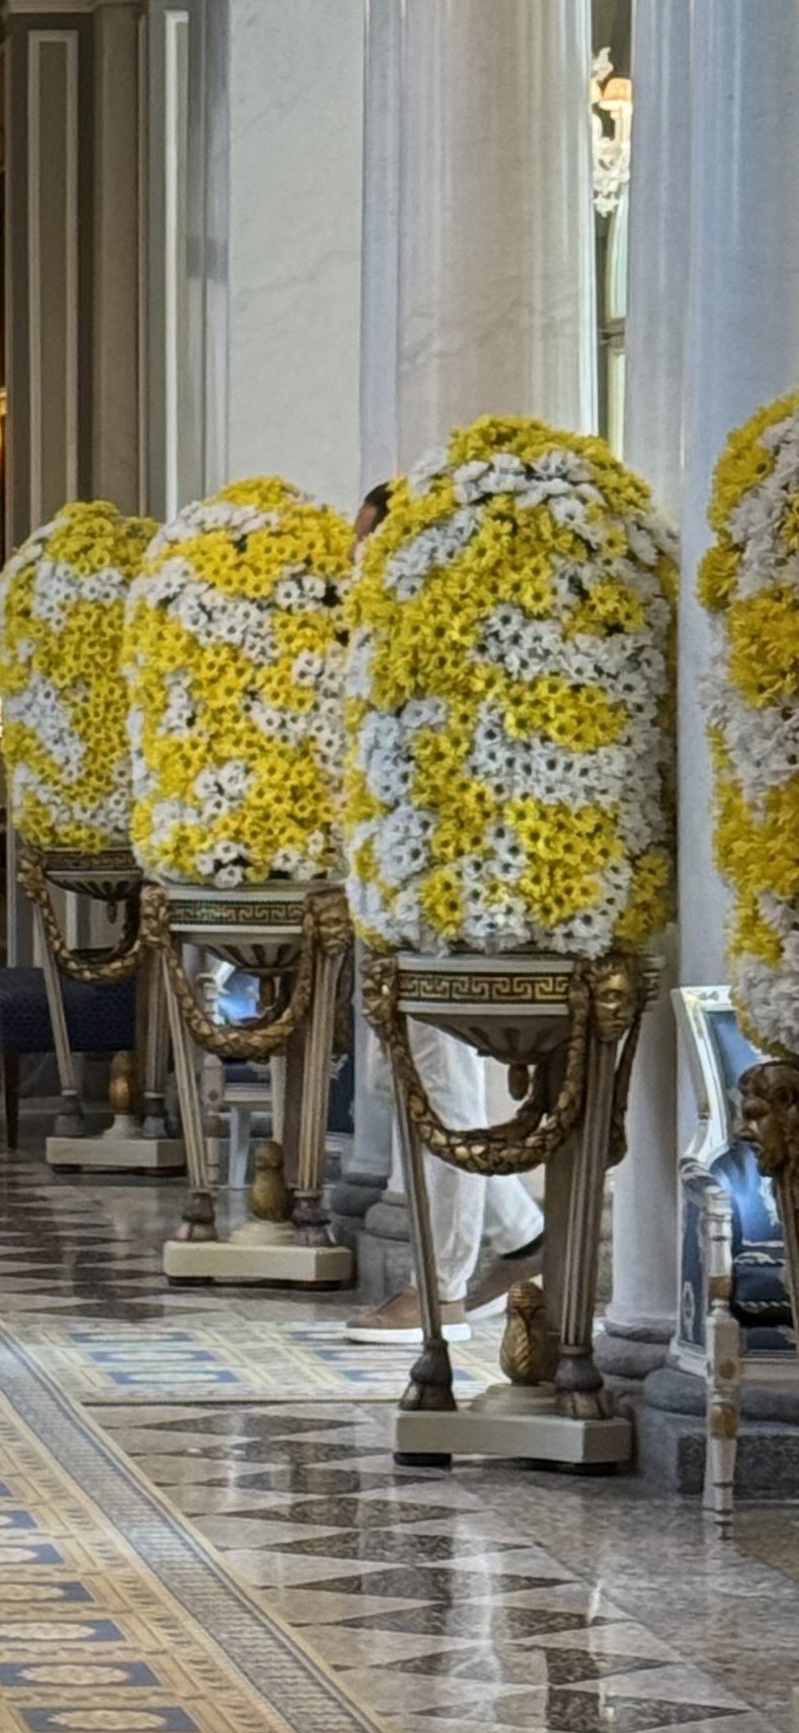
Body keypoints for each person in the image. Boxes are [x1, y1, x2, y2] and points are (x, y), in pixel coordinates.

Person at [341, 481, 544, 1345]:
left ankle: (442, 1288)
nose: (354, 564)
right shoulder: (393, 643)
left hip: (448, 905)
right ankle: (521, 1234)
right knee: (424, 1081)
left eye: (367, 546)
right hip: (406, 898)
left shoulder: (437, 653)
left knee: (443, 1088)